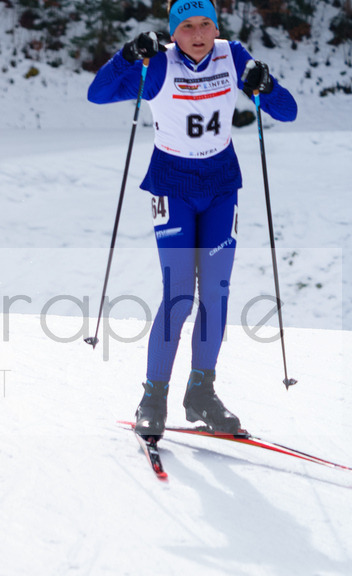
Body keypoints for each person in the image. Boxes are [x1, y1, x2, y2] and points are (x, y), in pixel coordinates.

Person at [87, 0, 297, 438]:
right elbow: (98, 94)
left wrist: (267, 84)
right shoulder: (159, 64)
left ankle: (201, 393)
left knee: (216, 293)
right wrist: (128, 55)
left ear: (216, 27)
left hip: (221, 186)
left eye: (205, 24)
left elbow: (287, 110)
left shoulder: (232, 55)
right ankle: (153, 397)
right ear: (172, 31)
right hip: (173, 186)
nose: (198, 34)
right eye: (186, 26)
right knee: (179, 295)